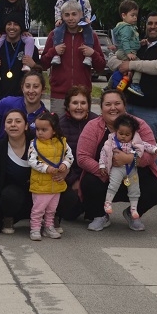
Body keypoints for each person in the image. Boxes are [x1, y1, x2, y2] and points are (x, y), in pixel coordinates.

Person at [76, 89, 157, 232]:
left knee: (155, 189)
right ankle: (100, 215)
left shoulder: (139, 124)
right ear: (101, 108)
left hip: (133, 176)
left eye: (117, 103)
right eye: (108, 104)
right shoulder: (93, 126)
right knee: (89, 182)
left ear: (124, 105)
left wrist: (130, 159)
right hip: (105, 178)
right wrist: (106, 171)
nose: (113, 108)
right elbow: (82, 157)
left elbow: (152, 154)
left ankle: (132, 213)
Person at [107, 11, 157, 139]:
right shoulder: (137, 45)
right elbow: (112, 60)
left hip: (149, 110)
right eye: (150, 23)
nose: (153, 26)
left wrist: (131, 65)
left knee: (147, 148)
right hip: (124, 106)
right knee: (118, 145)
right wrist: (121, 65)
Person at [40, 0, 103, 115]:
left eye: (74, 14)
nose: (70, 18)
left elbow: (101, 67)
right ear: (62, 16)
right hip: (59, 95)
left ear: (81, 15)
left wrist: (92, 53)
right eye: (67, 15)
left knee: (82, 131)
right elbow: (43, 64)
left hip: (82, 95)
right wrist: (53, 51)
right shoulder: (54, 35)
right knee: (58, 130)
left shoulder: (91, 36)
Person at [99, 114, 157, 219]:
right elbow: (104, 153)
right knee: (113, 185)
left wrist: (155, 149)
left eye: (127, 134)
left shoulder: (135, 142)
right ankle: (108, 202)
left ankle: (133, 209)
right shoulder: (111, 142)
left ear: (132, 134)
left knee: (134, 189)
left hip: (131, 169)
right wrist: (102, 165)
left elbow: (146, 146)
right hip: (117, 168)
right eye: (121, 133)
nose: (123, 136)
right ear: (116, 131)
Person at [0, 110, 33, 236]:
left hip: (38, 191)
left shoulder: (37, 144)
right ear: (4, 127)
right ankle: (8, 218)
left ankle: (49, 219)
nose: (13, 124)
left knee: (66, 196)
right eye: (9, 122)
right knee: (9, 195)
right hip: (14, 196)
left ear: (26, 126)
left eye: (18, 121)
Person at [56, 86, 99, 224]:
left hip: (91, 175)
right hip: (69, 177)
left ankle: (95, 208)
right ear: (67, 106)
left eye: (83, 103)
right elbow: (57, 158)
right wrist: (73, 180)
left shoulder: (96, 122)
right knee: (69, 213)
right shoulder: (59, 126)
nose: (79, 107)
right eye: (75, 103)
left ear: (88, 105)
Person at [28, 112, 73, 241]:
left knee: (52, 209)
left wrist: (65, 164)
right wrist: (46, 168)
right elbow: (31, 160)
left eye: (44, 129)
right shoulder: (34, 144)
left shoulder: (62, 142)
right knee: (38, 209)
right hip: (40, 183)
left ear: (54, 130)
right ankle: (35, 228)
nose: (40, 132)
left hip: (56, 184)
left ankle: (49, 226)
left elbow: (69, 156)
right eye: (37, 129)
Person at [0, 71, 48, 144]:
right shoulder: (8, 102)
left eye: (36, 86)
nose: (31, 90)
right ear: (22, 88)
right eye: (27, 86)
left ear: (43, 90)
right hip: (3, 152)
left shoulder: (45, 116)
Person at [0, 0, 33, 82]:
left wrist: (26, 29)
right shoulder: (1, 3)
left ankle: (26, 64)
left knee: (30, 40)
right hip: (4, 32)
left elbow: (27, 16)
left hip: (21, 32)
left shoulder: (24, 3)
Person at [0, 16, 40, 101]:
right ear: (4, 27)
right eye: (9, 24)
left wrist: (34, 65)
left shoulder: (31, 49)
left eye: (16, 24)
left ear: (21, 27)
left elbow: (40, 74)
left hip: (22, 99)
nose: (12, 27)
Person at [51, 0, 95, 70]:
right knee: (58, 31)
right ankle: (57, 54)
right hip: (65, 19)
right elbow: (57, 7)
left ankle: (88, 55)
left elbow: (88, 8)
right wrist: (58, 19)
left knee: (89, 31)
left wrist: (87, 18)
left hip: (81, 19)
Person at [109, 0, 144, 96]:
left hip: (124, 51)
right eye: (132, 15)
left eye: (136, 15)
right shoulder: (127, 28)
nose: (135, 18)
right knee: (139, 65)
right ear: (124, 15)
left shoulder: (126, 27)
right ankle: (135, 84)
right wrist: (128, 53)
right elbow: (125, 41)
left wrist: (141, 43)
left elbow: (131, 42)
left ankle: (109, 85)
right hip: (126, 52)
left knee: (122, 71)